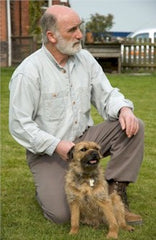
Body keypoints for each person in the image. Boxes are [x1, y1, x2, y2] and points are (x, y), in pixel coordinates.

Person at [9, 5, 144, 225]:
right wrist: (57, 145)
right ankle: (45, 189)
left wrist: (123, 109)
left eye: (79, 27)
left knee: (132, 125)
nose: (80, 34)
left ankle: (115, 194)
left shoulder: (85, 59)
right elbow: (19, 125)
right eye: (72, 30)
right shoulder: (28, 72)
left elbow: (106, 94)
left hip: (86, 139)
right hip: (49, 151)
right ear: (51, 36)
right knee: (61, 215)